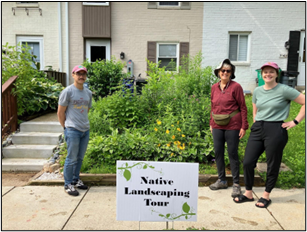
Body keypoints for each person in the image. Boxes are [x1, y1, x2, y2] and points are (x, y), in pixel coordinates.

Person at [234, 62, 305, 208]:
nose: (268, 74)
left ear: (276, 74)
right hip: (258, 127)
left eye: (271, 72)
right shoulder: (258, 91)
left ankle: (266, 195)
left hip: (275, 129)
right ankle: (248, 193)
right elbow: (255, 108)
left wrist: (295, 121)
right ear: (261, 74)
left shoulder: (284, 90)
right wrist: (255, 120)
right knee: (248, 161)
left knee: (272, 164)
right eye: (265, 72)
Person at [209, 59, 249, 198]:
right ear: (218, 73)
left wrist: (244, 126)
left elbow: (243, 107)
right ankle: (222, 180)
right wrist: (211, 123)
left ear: (231, 73)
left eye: (228, 71)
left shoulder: (236, 87)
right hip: (217, 125)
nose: (225, 73)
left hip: (233, 125)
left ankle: (236, 184)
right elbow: (212, 106)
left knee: (232, 153)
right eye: (223, 71)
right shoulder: (214, 87)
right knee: (218, 152)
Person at [57, 65, 92, 196]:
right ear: (73, 75)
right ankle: (68, 184)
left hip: (85, 130)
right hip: (72, 130)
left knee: (80, 158)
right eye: (78, 73)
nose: (81, 76)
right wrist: (66, 127)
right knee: (71, 158)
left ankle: (76, 180)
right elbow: (60, 112)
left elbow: (87, 109)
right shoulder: (68, 91)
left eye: (83, 74)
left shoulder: (88, 92)